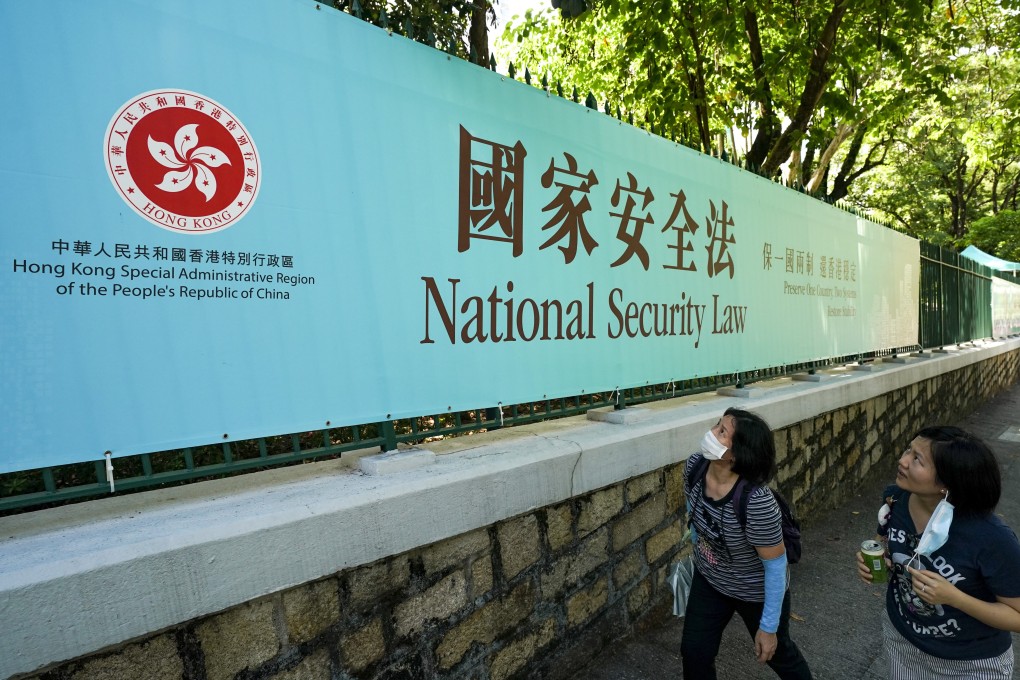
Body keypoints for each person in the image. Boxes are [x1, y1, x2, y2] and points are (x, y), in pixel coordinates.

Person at [856, 426, 1020, 678]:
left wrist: (955, 598)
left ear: (946, 483)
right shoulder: (896, 498)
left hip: (972, 664)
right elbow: (883, 541)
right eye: (908, 450)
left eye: (917, 459)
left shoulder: (991, 537)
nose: (902, 460)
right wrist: (877, 557)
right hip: (903, 643)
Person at [680, 407, 813, 680]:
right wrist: (697, 545)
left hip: (756, 592)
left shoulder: (756, 502)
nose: (711, 433)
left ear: (737, 454)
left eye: (722, 432)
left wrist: (769, 627)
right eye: (717, 425)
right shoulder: (694, 466)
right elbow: (692, 510)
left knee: (779, 655)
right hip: (711, 579)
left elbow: (776, 567)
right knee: (694, 653)